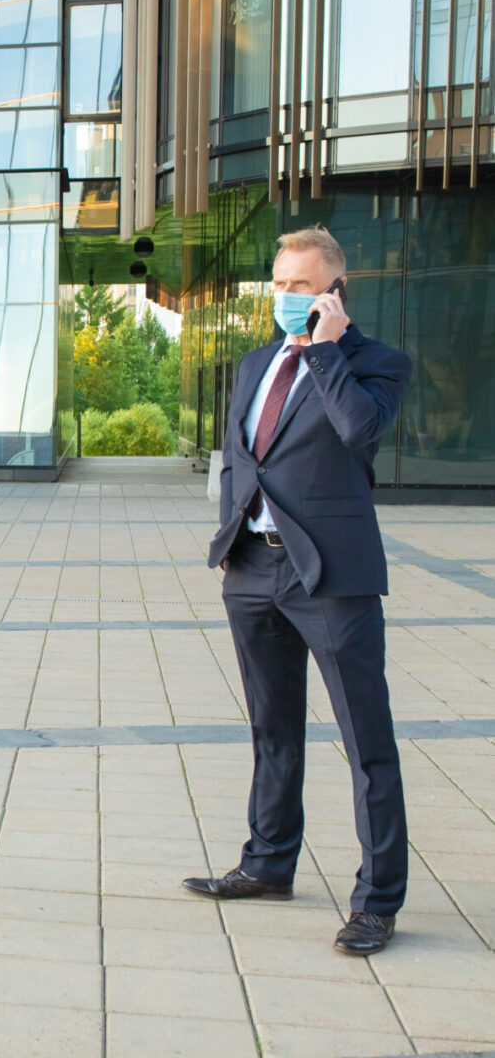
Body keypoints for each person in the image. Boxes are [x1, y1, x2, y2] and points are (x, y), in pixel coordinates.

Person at [185, 225, 412, 957]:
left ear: (335, 293)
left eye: (301, 287)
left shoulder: (376, 364)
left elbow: (358, 430)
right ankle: (268, 864)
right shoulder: (254, 364)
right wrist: (230, 540)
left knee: (365, 742)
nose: (285, 298)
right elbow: (237, 456)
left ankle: (377, 902)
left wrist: (320, 349)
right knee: (272, 730)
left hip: (333, 577)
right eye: (278, 284)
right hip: (254, 570)